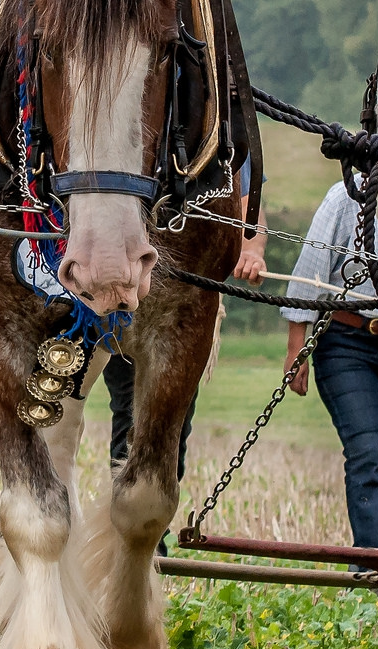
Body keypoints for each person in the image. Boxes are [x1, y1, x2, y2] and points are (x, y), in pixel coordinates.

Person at [280, 180, 378, 596]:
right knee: (366, 456)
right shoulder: (348, 194)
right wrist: (297, 347)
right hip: (346, 342)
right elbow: (312, 267)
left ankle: (367, 567)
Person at [105, 173, 267, 476]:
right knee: (128, 408)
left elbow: (246, 195)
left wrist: (252, 250)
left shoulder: (226, 129)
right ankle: (124, 507)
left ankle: (150, 514)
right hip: (117, 293)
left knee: (174, 417)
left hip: (186, 304)